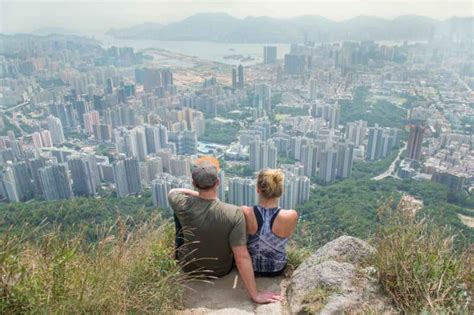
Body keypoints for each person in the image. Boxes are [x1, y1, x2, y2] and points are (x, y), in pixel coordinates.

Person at [168, 156, 281, 304]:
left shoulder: (182, 204)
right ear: (218, 183)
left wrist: (199, 196)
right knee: (233, 235)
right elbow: (241, 257)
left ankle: (176, 254)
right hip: (219, 271)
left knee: (178, 214)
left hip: (188, 267)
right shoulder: (234, 213)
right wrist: (256, 295)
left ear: (194, 183)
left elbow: (173, 192)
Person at [242, 169, 298, 277]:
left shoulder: (245, 212)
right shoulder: (291, 215)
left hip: (252, 268)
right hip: (277, 269)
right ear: (280, 191)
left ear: (258, 189)